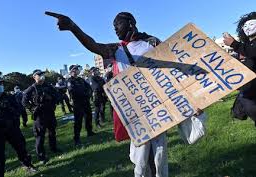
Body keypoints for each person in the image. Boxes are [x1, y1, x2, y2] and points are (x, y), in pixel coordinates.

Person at [47, 11, 168, 176]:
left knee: (159, 154)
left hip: (156, 106)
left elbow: (172, 69)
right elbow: (93, 45)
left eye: (117, 24)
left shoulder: (153, 43)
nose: (115, 29)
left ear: (130, 23)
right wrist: (73, 28)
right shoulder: (116, 49)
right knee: (141, 157)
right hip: (133, 111)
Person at [0, 76, 36, 177]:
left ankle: (27, 165)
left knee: (21, 148)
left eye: (1, 84)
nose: (0, 86)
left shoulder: (10, 97)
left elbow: (19, 109)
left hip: (12, 128)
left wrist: (12, 113)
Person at [223, 12, 256, 125]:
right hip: (250, 90)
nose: (248, 28)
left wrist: (234, 44)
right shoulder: (247, 46)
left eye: (251, 24)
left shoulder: (247, 47)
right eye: (245, 26)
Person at [22, 70, 61, 164]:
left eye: (42, 74)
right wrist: (33, 108)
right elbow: (24, 102)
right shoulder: (32, 88)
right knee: (40, 136)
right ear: (34, 77)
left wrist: (52, 99)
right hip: (40, 115)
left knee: (52, 132)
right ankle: (41, 155)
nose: (41, 76)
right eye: (39, 75)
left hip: (50, 112)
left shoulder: (48, 86)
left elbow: (57, 95)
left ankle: (53, 148)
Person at [67, 65, 96, 146]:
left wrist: (88, 93)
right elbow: (73, 91)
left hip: (85, 101)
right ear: (72, 71)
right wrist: (84, 93)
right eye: (75, 69)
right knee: (78, 121)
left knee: (88, 116)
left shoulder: (81, 79)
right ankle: (77, 138)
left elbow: (89, 87)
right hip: (77, 103)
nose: (77, 70)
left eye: (77, 69)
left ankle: (89, 132)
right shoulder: (70, 81)